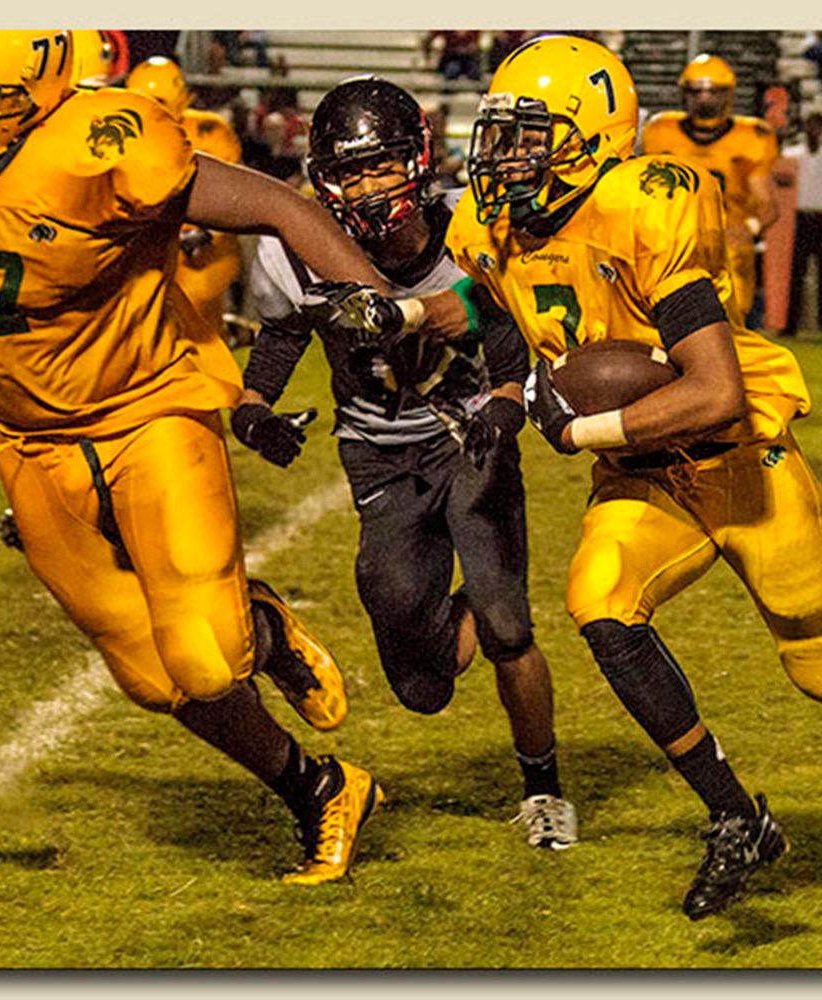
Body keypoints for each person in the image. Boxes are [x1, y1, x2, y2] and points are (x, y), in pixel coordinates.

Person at [323, 34, 822, 918]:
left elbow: (715, 390)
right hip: (643, 475)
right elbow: (487, 297)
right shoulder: (492, 225)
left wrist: (577, 423)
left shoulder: (648, 206)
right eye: (500, 136)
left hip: (738, 461)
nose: (504, 157)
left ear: (591, 138)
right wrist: (405, 311)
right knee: (599, 602)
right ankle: (736, 816)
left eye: (527, 137)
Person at [0, 29, 389, 886]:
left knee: (208, 655)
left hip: (147, 413)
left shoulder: (96, 149)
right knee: (154, 681)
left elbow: (284, 207)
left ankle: (261, 627)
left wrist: (384, 303)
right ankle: (321, 790)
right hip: (29, 441)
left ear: (30, 103)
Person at [236, 77, 578, 849]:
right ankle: (477, 613)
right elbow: (286, 333)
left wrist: (502, 404)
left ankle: (544, 787)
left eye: (382, 165)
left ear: (418, 160)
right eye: (350, 171)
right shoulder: (299, 245)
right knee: (420, 686)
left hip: (468, 443)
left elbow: (507, 335)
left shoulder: (471, 228)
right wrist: (253, 409)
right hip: (379, 459)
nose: (366, 185)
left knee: (506, 624)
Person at [642, 53, 780, 321]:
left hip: (727, 245)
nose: (704, 99)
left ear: (727, 95)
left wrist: (749, 228)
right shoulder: (660, 131)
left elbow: (768, 205)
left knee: (733, 329)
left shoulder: (751, 137)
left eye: (712, 92)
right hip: (673, 243)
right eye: (696, 92)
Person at [125, 57, 246, 346]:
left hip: (198, 250)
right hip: (144, 244)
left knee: (192, 314)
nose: (147, 109)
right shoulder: (123, 136)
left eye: (155, 100)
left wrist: (207, 233)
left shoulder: (207, 132)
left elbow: (232, 196)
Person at [780, 112, 822, 338]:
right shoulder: (791, 155)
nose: (814, 131)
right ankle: (789, 325)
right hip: (799, 217)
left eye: (818, 127)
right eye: (810, 126)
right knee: (795, 275)